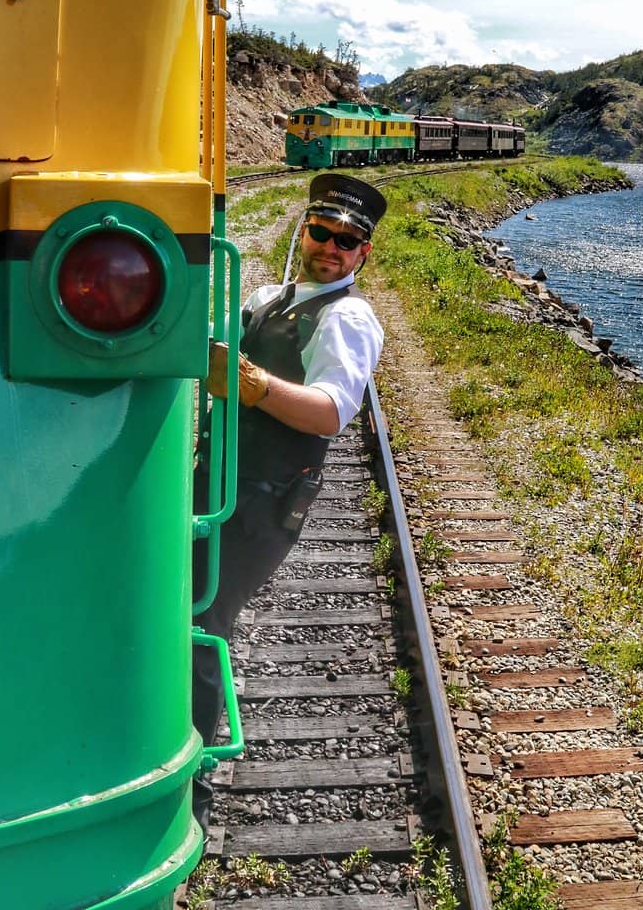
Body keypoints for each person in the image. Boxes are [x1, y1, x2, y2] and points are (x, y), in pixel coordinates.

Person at [191, 173, 386, 830]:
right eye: (322, 232)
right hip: (222, 484)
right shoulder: (271, 297)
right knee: (183, 613)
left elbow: (332, 411)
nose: (331, 246)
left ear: (363, 254)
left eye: (347, 241)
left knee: (200, 628)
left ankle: (193, 786)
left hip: (261, 501)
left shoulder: (346, 317)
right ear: (304, 232)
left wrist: (253, 386)